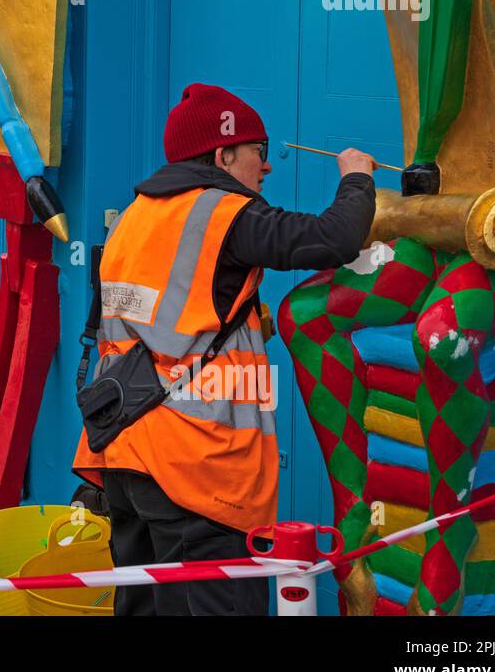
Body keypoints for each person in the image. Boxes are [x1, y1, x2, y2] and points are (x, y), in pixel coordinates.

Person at [73, 82, 376, 616]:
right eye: (259, 152)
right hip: (195, 471)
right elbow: (334, 238)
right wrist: (356, 177)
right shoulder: (222, 213)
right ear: (222, 153)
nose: (267, 167)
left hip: (124, 454)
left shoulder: (134, 217)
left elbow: (173, 320)